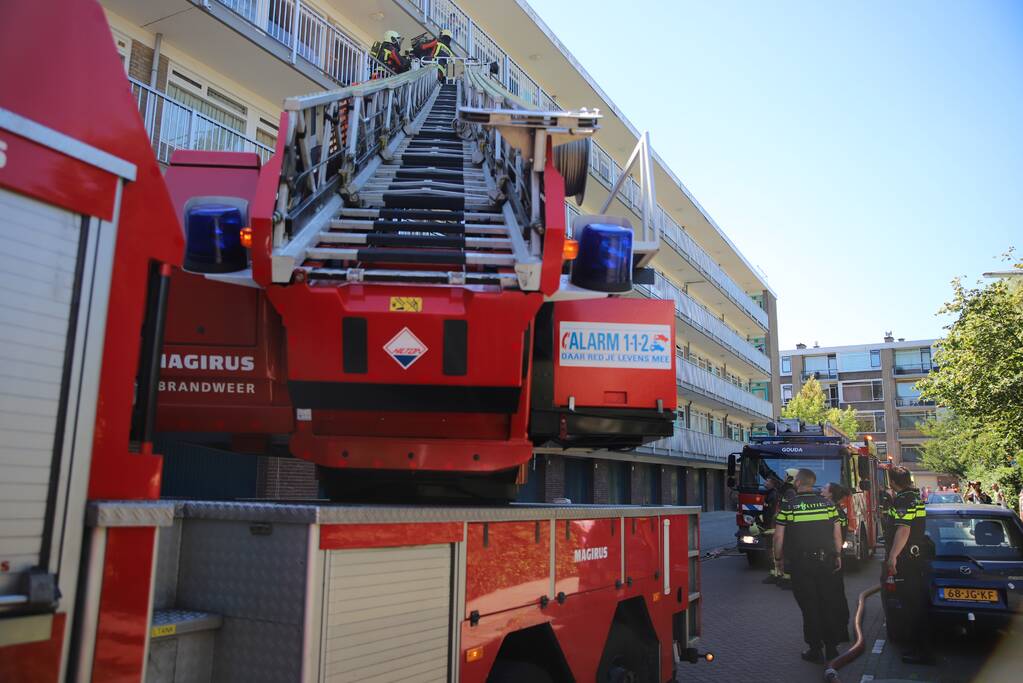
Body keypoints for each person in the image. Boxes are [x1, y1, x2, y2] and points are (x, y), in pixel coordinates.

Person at [773, 469, 848, 662]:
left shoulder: (789, 506)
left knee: (809, 606)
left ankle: (815, 649)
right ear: (812, 483)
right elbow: (836, 534)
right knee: (827, 603)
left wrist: (778, 559)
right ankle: (832, 648)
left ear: (797, 483)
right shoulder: (828, 505)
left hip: (801, 564)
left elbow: (779, 536)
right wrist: (838, 554)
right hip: (826, 562)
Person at [883, 466, 933, 664]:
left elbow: (903, 530)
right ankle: (921, 648)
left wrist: (893, 556)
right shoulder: (915, 496)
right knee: (917, 605)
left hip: (907, 560)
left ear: (893, 482)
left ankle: (920, 652)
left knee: (911, 606)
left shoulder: (903, 499)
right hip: (916, 558)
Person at [824, 482, 852, 642]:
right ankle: (841, 631)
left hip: (834, 558)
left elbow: (835, 536)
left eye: (824, 489)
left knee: (833, 596)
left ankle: (838, 631)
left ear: (831, 494)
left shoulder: (834, 512)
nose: (820, 491)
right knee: (837, 594)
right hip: (837, 556)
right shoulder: (839, 511)